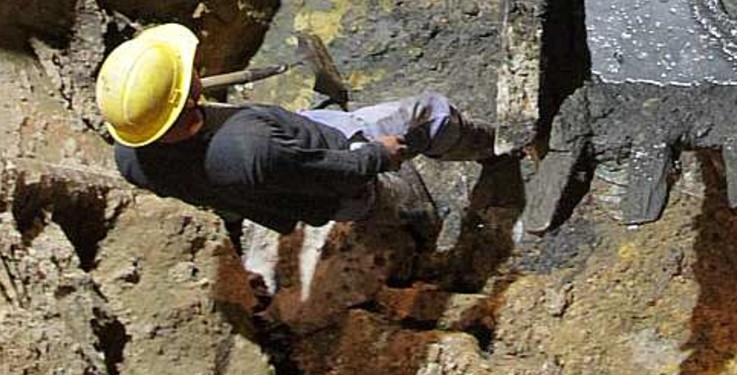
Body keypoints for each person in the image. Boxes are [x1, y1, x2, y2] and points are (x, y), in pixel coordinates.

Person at [97, 23, 490, 237]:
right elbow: (338, 170)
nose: (197, 70)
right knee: (429, 113)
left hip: (290, 181)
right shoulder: (251, 145)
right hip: (336, 165)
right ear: (186, 96)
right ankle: (488, 145)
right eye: (188, 74)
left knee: (369, 199)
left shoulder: (130, 156)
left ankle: (406, 212)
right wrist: (379, 154)